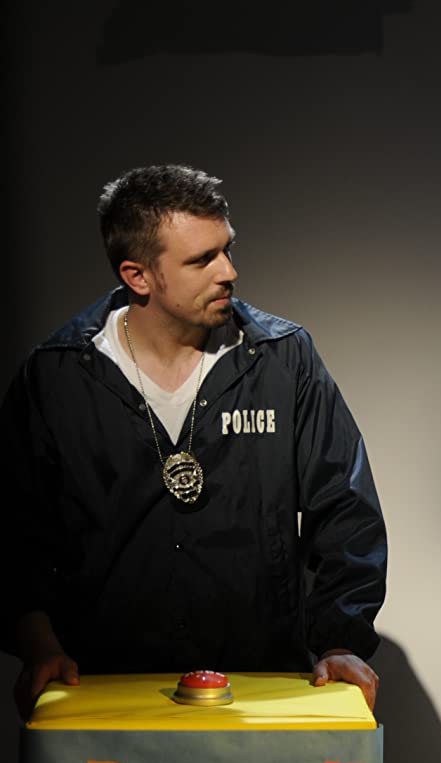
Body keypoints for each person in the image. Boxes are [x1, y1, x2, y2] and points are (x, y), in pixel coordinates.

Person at [1, 165, 386, 715]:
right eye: (202, 259)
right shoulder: (58, 376)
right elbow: (13, 535)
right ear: (138, 276)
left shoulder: (282, 358)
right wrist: (40, 647)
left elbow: (347, 510)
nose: (229, 271)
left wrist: (340, 641)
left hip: (260, 687)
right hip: (106, 694)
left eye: (227, 250)